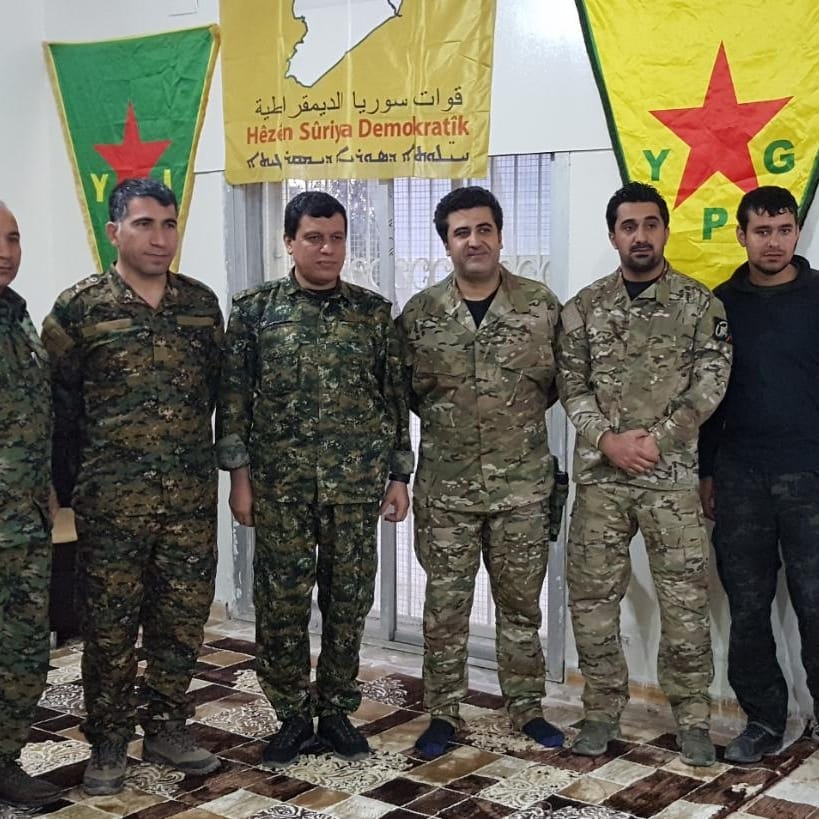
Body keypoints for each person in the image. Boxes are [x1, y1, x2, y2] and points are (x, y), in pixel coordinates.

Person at [216, 190, 413, 768]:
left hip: (355, 486)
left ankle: (336, 710)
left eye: (337, 238)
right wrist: (239, 479)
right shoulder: (254, 310)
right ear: (289, 242)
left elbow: (394, 401)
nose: (328, 249)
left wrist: (399, 476)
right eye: (314, 238)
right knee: (281, 605)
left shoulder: (373, 314)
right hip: (281, 487)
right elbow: (234, 401)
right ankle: (292, 713)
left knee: (348, 603)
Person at [42, 178, 223, 795]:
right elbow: (56, 407)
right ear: (114, 231)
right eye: (145, 224)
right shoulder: (79, 308)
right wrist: (64, 488)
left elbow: (218, 394)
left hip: (188, 503)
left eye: (169, 224)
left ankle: (168, 727)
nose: (160, 238)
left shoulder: (200, 305)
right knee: (109, 628)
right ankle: (109, 741)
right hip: (111, 505)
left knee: (181, 622)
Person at [557, 181, 731, 767]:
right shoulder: (583, 308)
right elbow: (571, 384)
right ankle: (601, 712)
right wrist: (608, 440)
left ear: (664, 231)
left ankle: (693, 720)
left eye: (650, 224)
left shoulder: (700, 306)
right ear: (613, 236)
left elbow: (710, 384)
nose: (640, 236)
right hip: (601, 479)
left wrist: (656, 442)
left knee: (684, 603)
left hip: (670, 478)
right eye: (628, 226)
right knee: (592, 599)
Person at [397, 185, 565, 759]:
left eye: (484, 229)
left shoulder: (540, 307)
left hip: (523, 490)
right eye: (461, 232)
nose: (474, 241)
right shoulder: (420, 315)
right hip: (446, 493)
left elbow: (556, 386)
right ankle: (443, 712)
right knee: (445, 611)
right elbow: (408, 394)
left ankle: (527, 707)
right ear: (446, 243)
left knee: (521, 608)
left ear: (500, 235)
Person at [699, 186, 819, 763]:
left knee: (817, 605)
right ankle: (765, 721)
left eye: (784, 230)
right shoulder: (720, 305)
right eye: (762, 231)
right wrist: (705, 473)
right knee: (748, 609)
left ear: (796, 232)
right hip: (740, 478)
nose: (774, 242)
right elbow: (706, 397)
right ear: (741, 235)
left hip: (810, 477)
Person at [0, 202, 62, 808]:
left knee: (21, 650)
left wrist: (45, 485)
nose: (6, 251)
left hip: (24, 524)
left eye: (13, 238)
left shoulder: (19, 320)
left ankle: (4, 759)